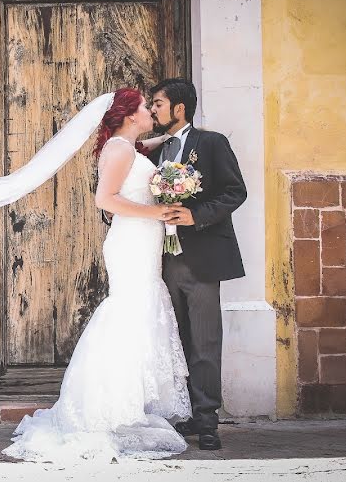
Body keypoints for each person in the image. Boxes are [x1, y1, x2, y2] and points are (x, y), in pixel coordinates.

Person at [2, 88, 191, 463]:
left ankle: (127, 405)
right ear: (129, 114)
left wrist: (173, 136)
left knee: (139, 313)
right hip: (132, 241)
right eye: (145, 107)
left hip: (142, 240)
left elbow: (145, 148)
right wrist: (158, 213)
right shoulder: (121, 150)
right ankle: (110, 409)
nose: (151, 112)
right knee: (128, 313)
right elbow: (105, 199)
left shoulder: (127, 146)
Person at [148, 78, 247, 451]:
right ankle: (186, 412)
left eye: (157, 103)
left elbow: (235, 191)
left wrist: (195, 216)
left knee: (205, 342)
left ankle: (207, 421)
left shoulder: (212, 143)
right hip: (163, 262)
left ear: (179, 108)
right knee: (177, 341)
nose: (152, 109)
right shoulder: (154, 152)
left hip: (202, 259)